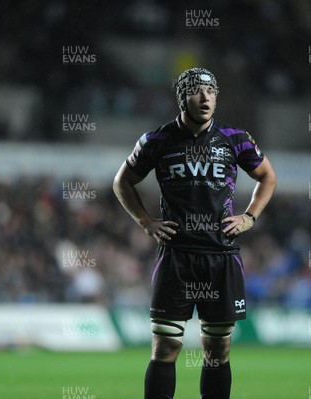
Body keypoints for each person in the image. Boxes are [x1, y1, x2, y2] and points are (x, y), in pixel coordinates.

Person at [113, 67, 277, 399]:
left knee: (217, 352)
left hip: (221, 256)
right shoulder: (156, 141)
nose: (205, 98)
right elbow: (122, 182)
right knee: (166, 346)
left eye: (211, 92)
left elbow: (267, 177)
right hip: (176, 255)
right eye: (196, 91)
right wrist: (146, 221)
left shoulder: (235, 139)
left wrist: (249, 216)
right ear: (182, 97)